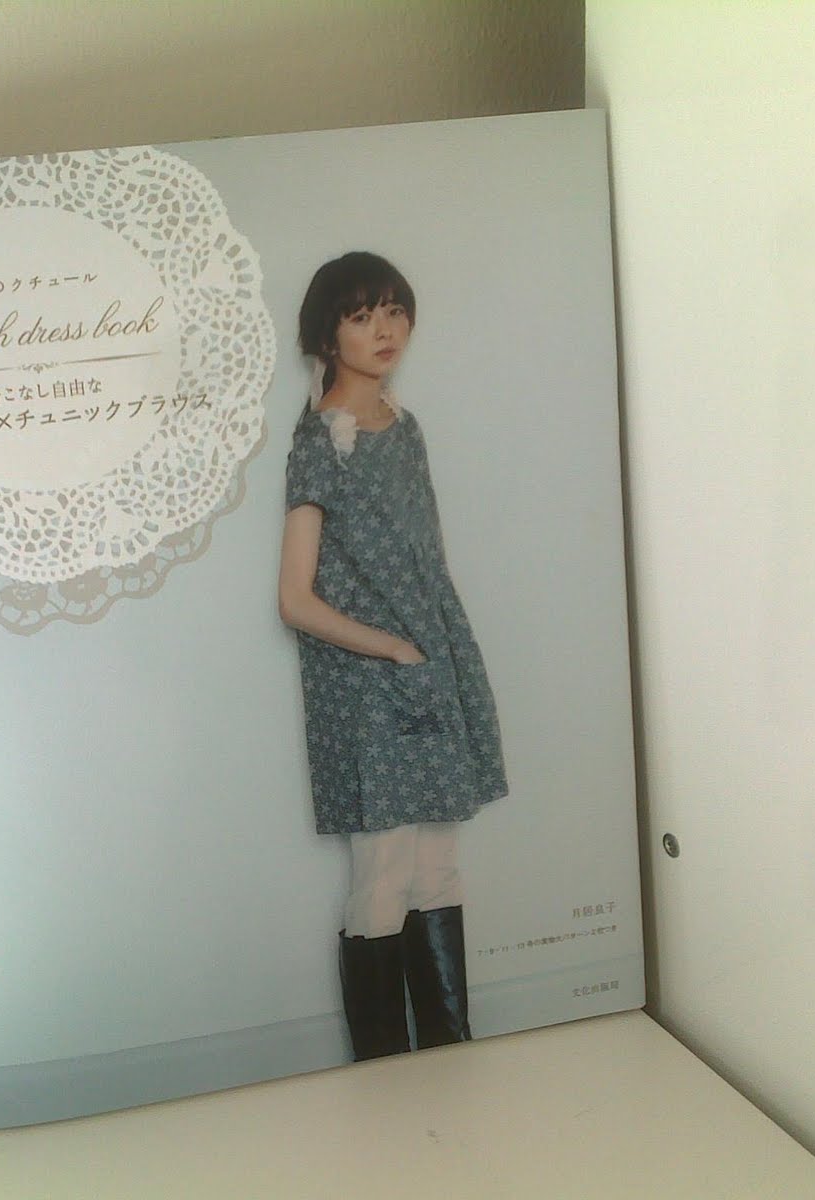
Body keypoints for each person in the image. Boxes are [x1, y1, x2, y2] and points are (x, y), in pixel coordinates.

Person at [278, 251, 508, 1061]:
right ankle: (383, 1072)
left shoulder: (405, 431)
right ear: (327, 334)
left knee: (437, 869)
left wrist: (435, 656)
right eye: (360, 315)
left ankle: (449, 1054)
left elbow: (427, 565)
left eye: (394, 311)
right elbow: (294, 599)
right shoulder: (319, 445)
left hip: (427, 668)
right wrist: (393, 649)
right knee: (382, 875)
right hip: (366, 689)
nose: (384, 330)